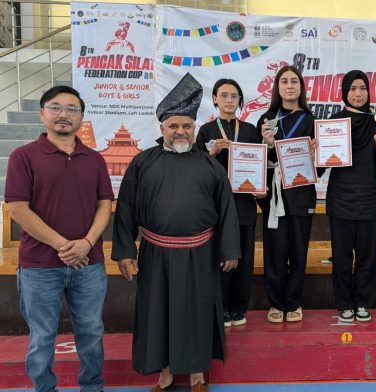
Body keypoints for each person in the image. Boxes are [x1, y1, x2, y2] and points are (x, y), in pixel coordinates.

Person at [112, 73, 241, 392]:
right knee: (160, 314)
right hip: (156, 255)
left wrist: (229, 249)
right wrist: (126, 250)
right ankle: (166, 373)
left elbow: (226, 209)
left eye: (186, 126)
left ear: (194, 128)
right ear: (162, 128)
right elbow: (126, 207)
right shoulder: (142, 163)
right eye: (174, 126)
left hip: (201, 255)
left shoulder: (210, 166)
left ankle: (197, 373)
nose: (180, 131)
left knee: (197, 312)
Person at [5, 85, 113, 392]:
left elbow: (104, 204)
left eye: (72, 109)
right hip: (39, 267)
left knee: (91, 332)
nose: (63, 114)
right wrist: (64, 246)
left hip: (89, 265)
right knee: (42, 337)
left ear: (81, 117)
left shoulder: (93, 159)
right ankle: (44, 389)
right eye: (55, 107)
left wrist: (87, 244)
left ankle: (92, 387)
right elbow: (18, 209)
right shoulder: (23, 156)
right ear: (42, 113)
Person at [326, 70, 376, 323]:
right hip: (341, 199)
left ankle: (363, 302)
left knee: (367, 256)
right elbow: (324, 165)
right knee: (342, 258)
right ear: (345, 92)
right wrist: (320, 148)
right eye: (352, 89)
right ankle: (344, 304)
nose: (358, 93)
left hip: (369, 198)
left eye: (362, 88)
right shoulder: (335, 121)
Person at [196, 78, 264, 327]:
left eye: (233, 96)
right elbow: (194, 169)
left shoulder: (249, 130)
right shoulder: (206, 132)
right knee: (220, 257)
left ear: (239, 101)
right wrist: (210, 154)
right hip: (215, 205)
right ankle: (220, 307)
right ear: (214, 99)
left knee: (244, 258)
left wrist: (260, 187)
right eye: (223, 95)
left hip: (244, 203)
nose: (228, 100)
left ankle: (238, 308)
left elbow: (260, 164)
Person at [256, 65, 320, 323]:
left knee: (298, 250)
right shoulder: (267, 118)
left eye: (295, 81)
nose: (290, 86)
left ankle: (293, 301)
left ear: (301, 87)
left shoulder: (311, 120)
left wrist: (318, 155)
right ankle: (275, 302)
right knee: (275, 251)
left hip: (302, 193)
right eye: (284, 81)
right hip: (274, 193)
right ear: (278, 87)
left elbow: (322, 166)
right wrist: (267, 145)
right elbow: (258, 159)